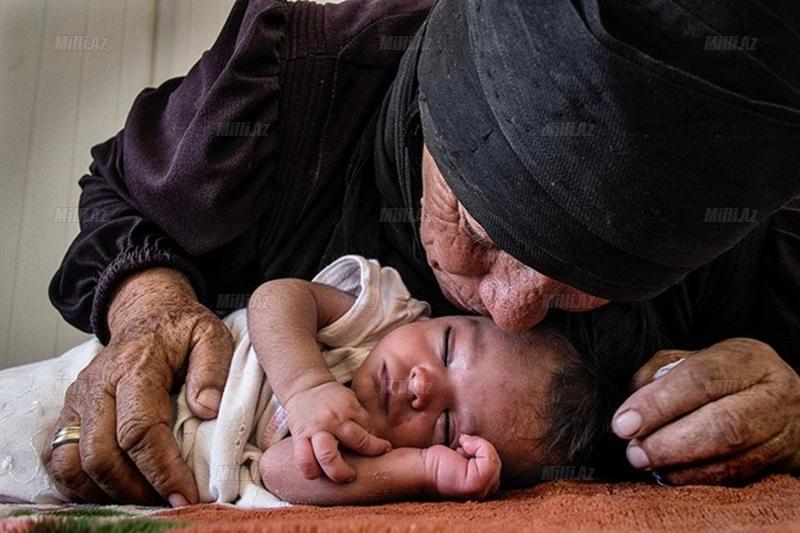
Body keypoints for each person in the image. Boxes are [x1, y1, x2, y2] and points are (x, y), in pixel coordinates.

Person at [45, 0, 800, 505]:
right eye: (476, 232)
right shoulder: (292, 90)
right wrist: (150, 304)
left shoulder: (734, 207)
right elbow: (120, 195)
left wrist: (787, 400)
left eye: (580, 285)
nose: (507, 310)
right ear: (429, 127)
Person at [1, 256, 614, 505]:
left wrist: (424, 473)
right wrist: (304, 383)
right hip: (107, 390)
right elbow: (276, 298)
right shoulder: (382, 314)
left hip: (133, 484)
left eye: (449, 424)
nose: (424, 385)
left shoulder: (383, 458)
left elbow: (277, 472)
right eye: (449, 348)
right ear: (448, 314)